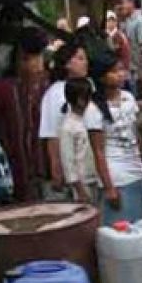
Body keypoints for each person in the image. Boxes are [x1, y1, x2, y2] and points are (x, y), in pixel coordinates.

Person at [88, 52, 142, 225]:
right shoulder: (94, 109)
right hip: (118, 174)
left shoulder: (128, 98)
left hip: (138, 169)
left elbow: (135, 133)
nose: (121, 74)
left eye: (122, 70)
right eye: (114, 71)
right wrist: (109, 188)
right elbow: (98, 151)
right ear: (101, 77)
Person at [0, 27, 49, 202]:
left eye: (40, 57)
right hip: (15, 161)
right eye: (33, 58)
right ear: (21, 58)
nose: (39, 64)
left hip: (42, 160)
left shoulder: (47, 84)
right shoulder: (4, 89)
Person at [39, 42, 102, 201]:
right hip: (75, 169)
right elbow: (52, 134)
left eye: (86, 59)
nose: (85, 63)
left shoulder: (90, 87)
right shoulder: (55, 93)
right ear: (67, 64)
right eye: (80, 58)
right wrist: (56, 170)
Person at [58, 77, 98, 204]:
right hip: (83, 181)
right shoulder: (68, 126)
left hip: (98, 176)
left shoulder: (93, 117)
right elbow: (68, 162)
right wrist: (80, 190)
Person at [118, 0, 142, 88]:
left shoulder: (140, 21)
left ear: (132, 3)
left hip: (137, 70)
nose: (122, 6)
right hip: (129, 68)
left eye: (124, 3)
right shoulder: (127, 21)